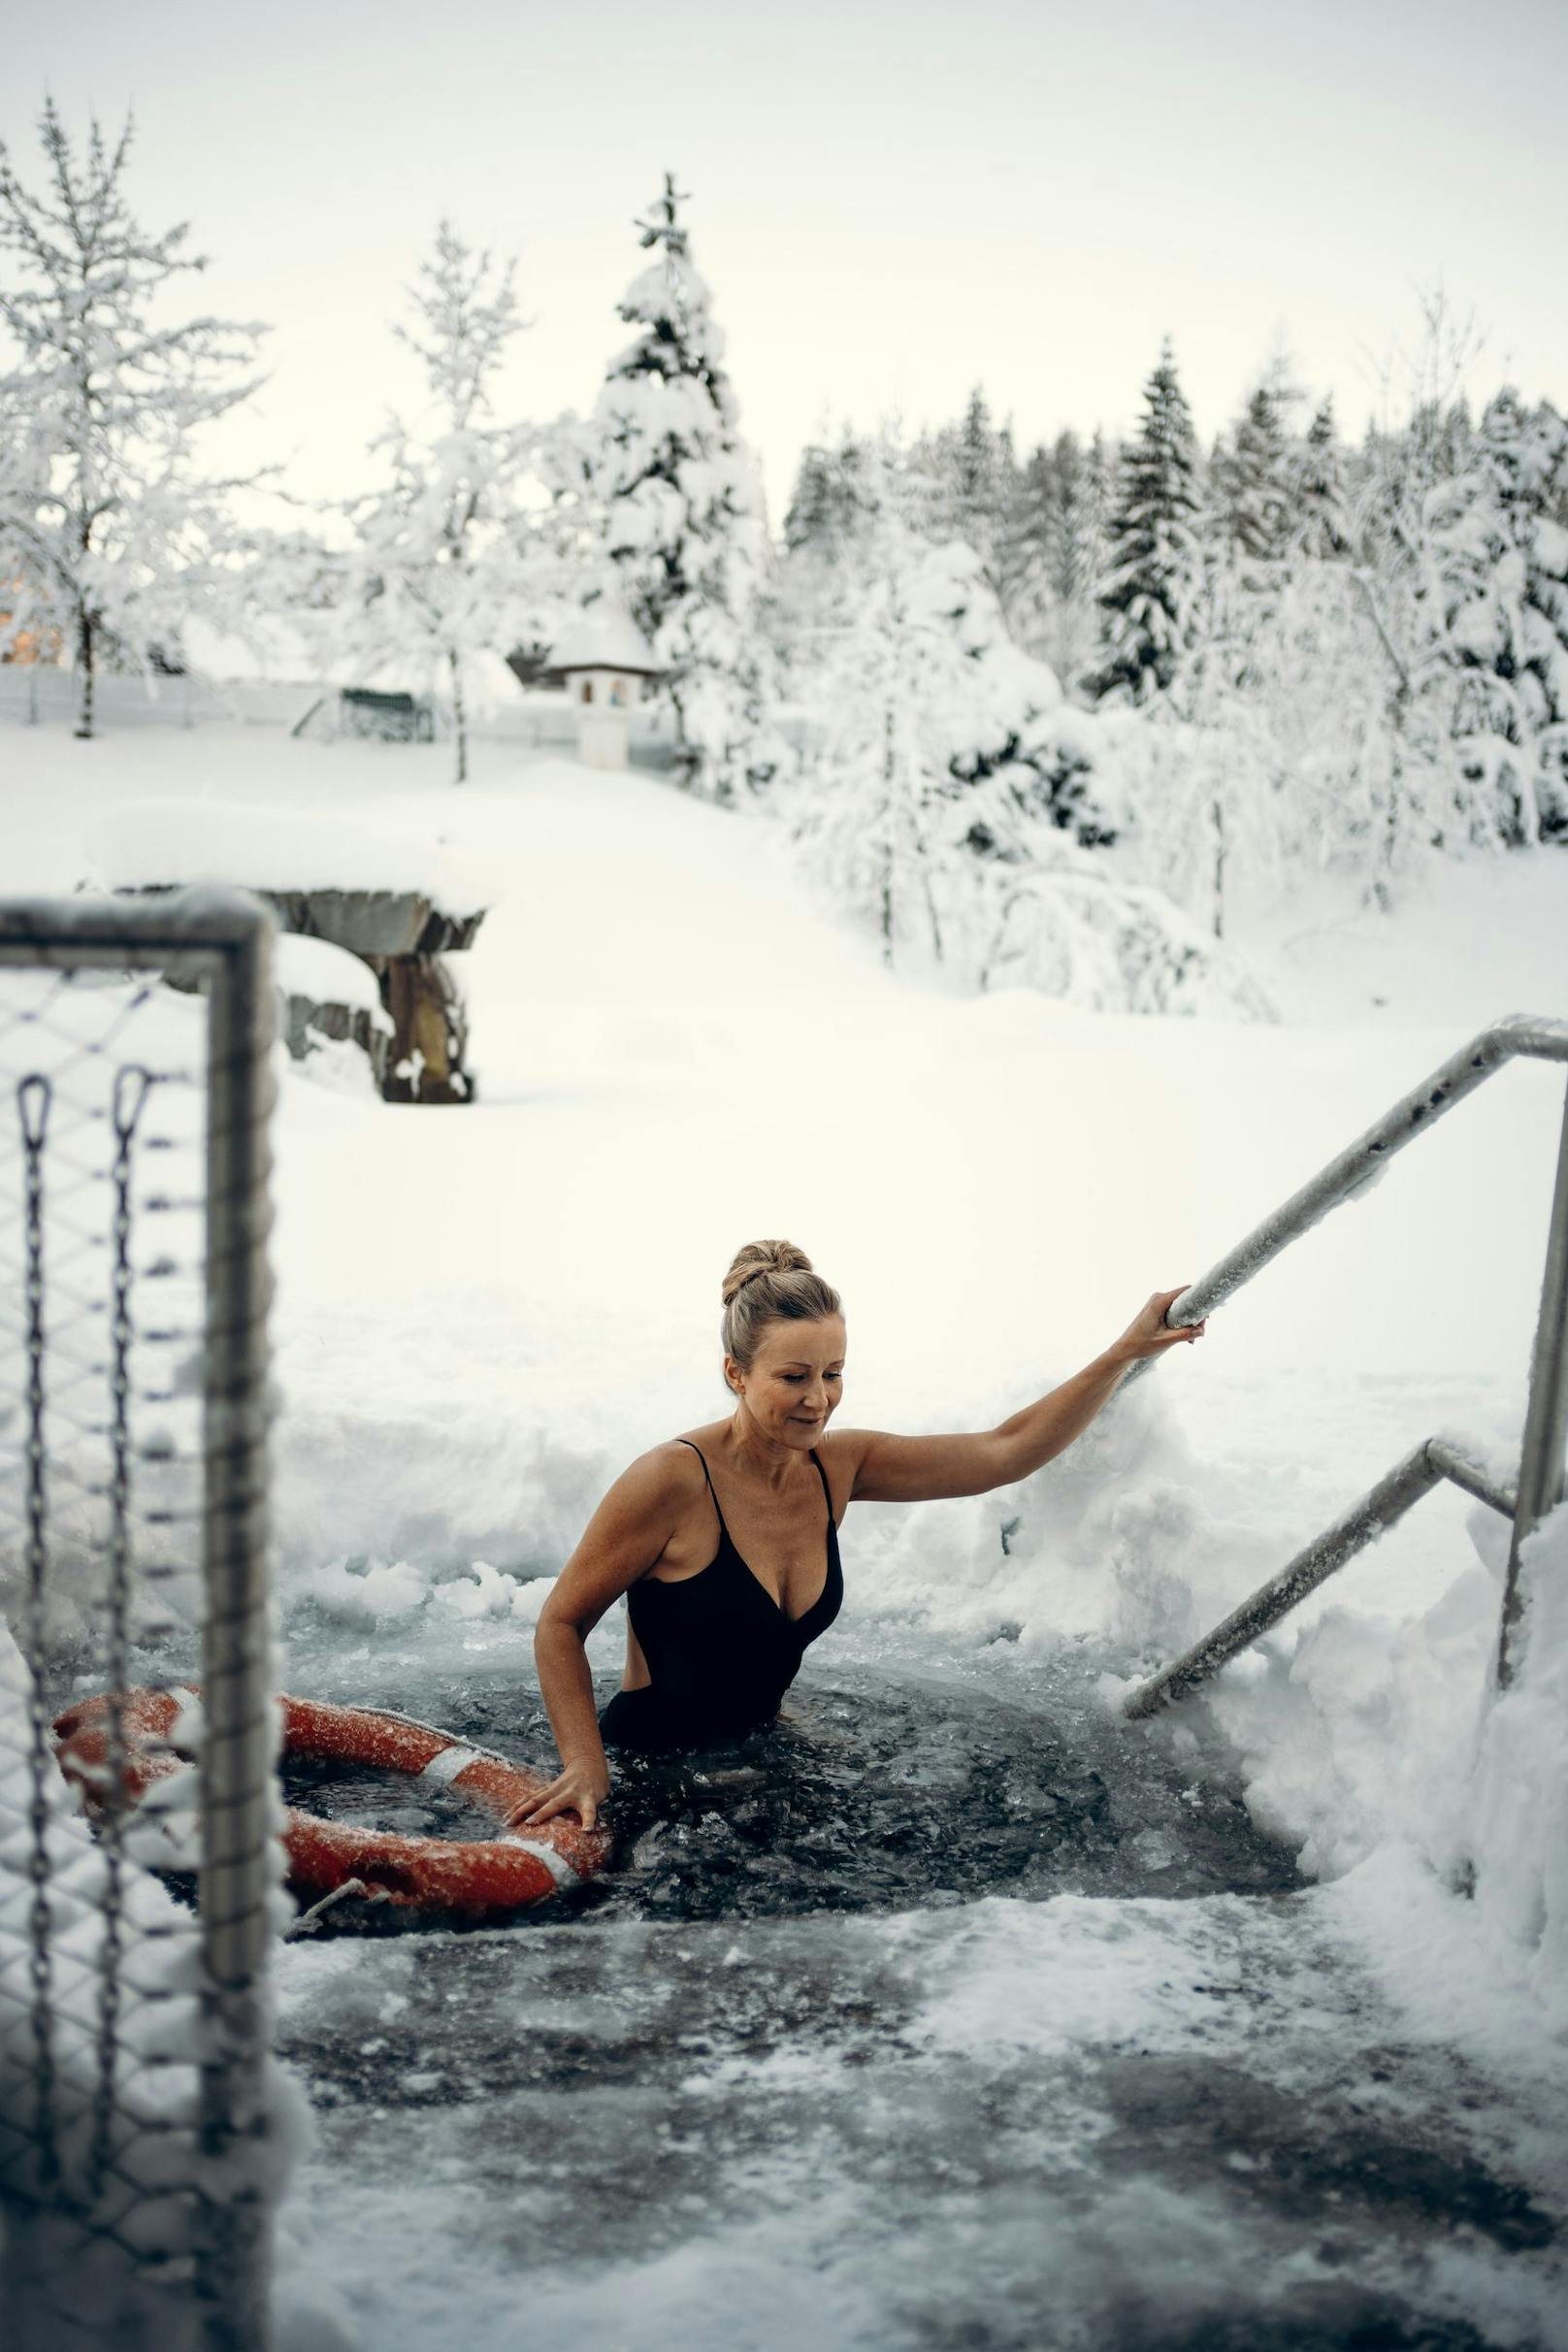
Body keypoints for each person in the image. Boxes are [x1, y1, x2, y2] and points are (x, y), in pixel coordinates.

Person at [513, 1238, 1205, 1834]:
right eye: (793, 1377)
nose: (819, 1398)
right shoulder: (672, 1479)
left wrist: (1124, 1351)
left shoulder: (836, 1468)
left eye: (833, 1373)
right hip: (651, 1773)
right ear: (736, 1373)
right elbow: (561, 1622)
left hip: (765, 1760)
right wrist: (583, 1765)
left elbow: (1005, 1450)